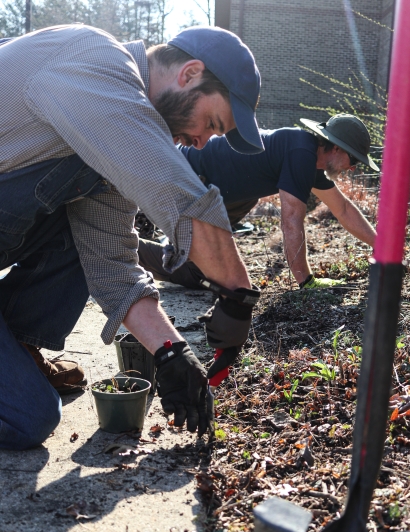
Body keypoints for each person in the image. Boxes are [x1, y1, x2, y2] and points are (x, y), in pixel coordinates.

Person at [0, 24, 263, 450]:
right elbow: (178, 195)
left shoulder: (107, 140)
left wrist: (172, 353)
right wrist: (238, 297)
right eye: (212, 123)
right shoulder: (93, 61)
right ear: (189, 73)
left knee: (78, 235)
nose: (201, 142)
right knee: (28, 417)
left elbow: (112, 263)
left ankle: (15, 346)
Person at [138, 114, 378, 290]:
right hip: (187, 176)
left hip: (215, 191)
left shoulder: (310, 158)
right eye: (354, 159)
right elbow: (291, 221)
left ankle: (144, 244)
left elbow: (343, 209)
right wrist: (306, 281)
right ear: (335, 148)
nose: (354, 167)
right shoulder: (301, 153)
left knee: (203, 272)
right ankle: (126, 249)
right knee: (193, 270)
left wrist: (381, 245)